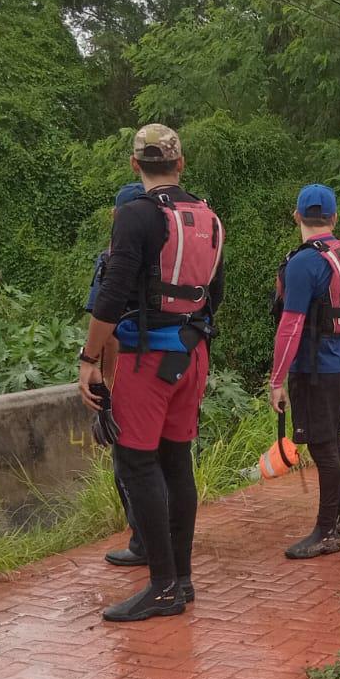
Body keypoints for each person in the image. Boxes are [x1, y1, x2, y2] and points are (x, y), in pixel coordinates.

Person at [77, 124, 223, 622]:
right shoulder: (209, 217)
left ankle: (161, 585)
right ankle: (180, 579)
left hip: (147, 358)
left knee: (139, 464)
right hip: (192, 355)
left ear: (135, 165)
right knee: (177, 461)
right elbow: (214, 294)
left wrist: (90, 359)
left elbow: (112, 294)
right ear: (180, 164)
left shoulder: (136, 215)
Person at [270, 183, 340, 560]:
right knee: (334, 440)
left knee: (324, 448)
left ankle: (325, 532)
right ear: (334, 217)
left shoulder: (304, 263)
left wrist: (277, 381)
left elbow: (291, 325)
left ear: (297, 216)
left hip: (314, 371)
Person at [96, 181, 148, 569]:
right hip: (174, 364)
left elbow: (107, 331)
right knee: (170, 460)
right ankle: (170, 540)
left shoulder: (112, 259)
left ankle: (143, 543)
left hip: (130, 372)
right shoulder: (172, 260)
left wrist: (106, 388)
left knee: (129, 464)